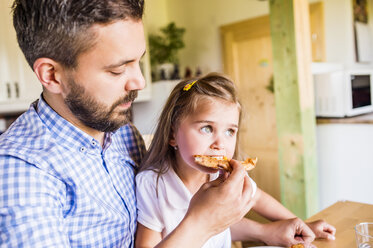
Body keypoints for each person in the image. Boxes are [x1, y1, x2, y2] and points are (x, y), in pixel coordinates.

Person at [0, 0, 256, 247]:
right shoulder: (21, 169)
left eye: (139, 62)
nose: (140, 82)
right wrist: (201, 223)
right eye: (117, 70)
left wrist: (268, 230)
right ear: (52, 75)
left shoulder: (124, 134)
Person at [135, 73, 336, 248]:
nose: (220, 143)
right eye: (207, 128)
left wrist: (301, 225)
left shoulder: (223, 176)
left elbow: (256, 197)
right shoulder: (153, 185)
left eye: (230, 131)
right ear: (172, 134)